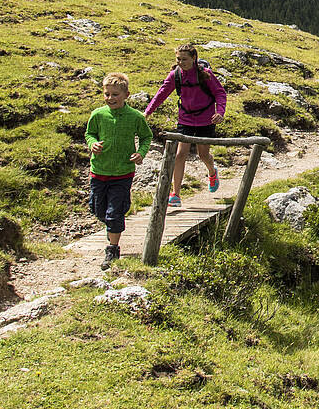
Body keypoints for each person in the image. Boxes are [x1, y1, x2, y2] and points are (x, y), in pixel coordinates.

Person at [145, 43, 227, 207]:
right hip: (185, 119)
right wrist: (147, 112)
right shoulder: (175, 75)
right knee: (180, 154)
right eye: (178, 59)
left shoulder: (205, 74)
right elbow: (161, 93)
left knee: (203, 155)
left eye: (185, 59)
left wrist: (220, 112)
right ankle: (176, 194)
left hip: (206, 119)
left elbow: (220, 93)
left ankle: (212, 172)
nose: (181, 62)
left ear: (194, 58)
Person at [85, 72, 153, 269]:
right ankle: (114, 222)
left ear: (126, 95)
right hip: (99, 170)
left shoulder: (135, 117)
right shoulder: (98, 115)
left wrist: (140, 153)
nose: (110, 98)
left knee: (114, 213)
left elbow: (146, 137)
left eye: (115, 95)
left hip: (123, 173)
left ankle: (112, 249)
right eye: (107, 94)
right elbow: (90, 133)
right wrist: (92, 144)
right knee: (98, 209)